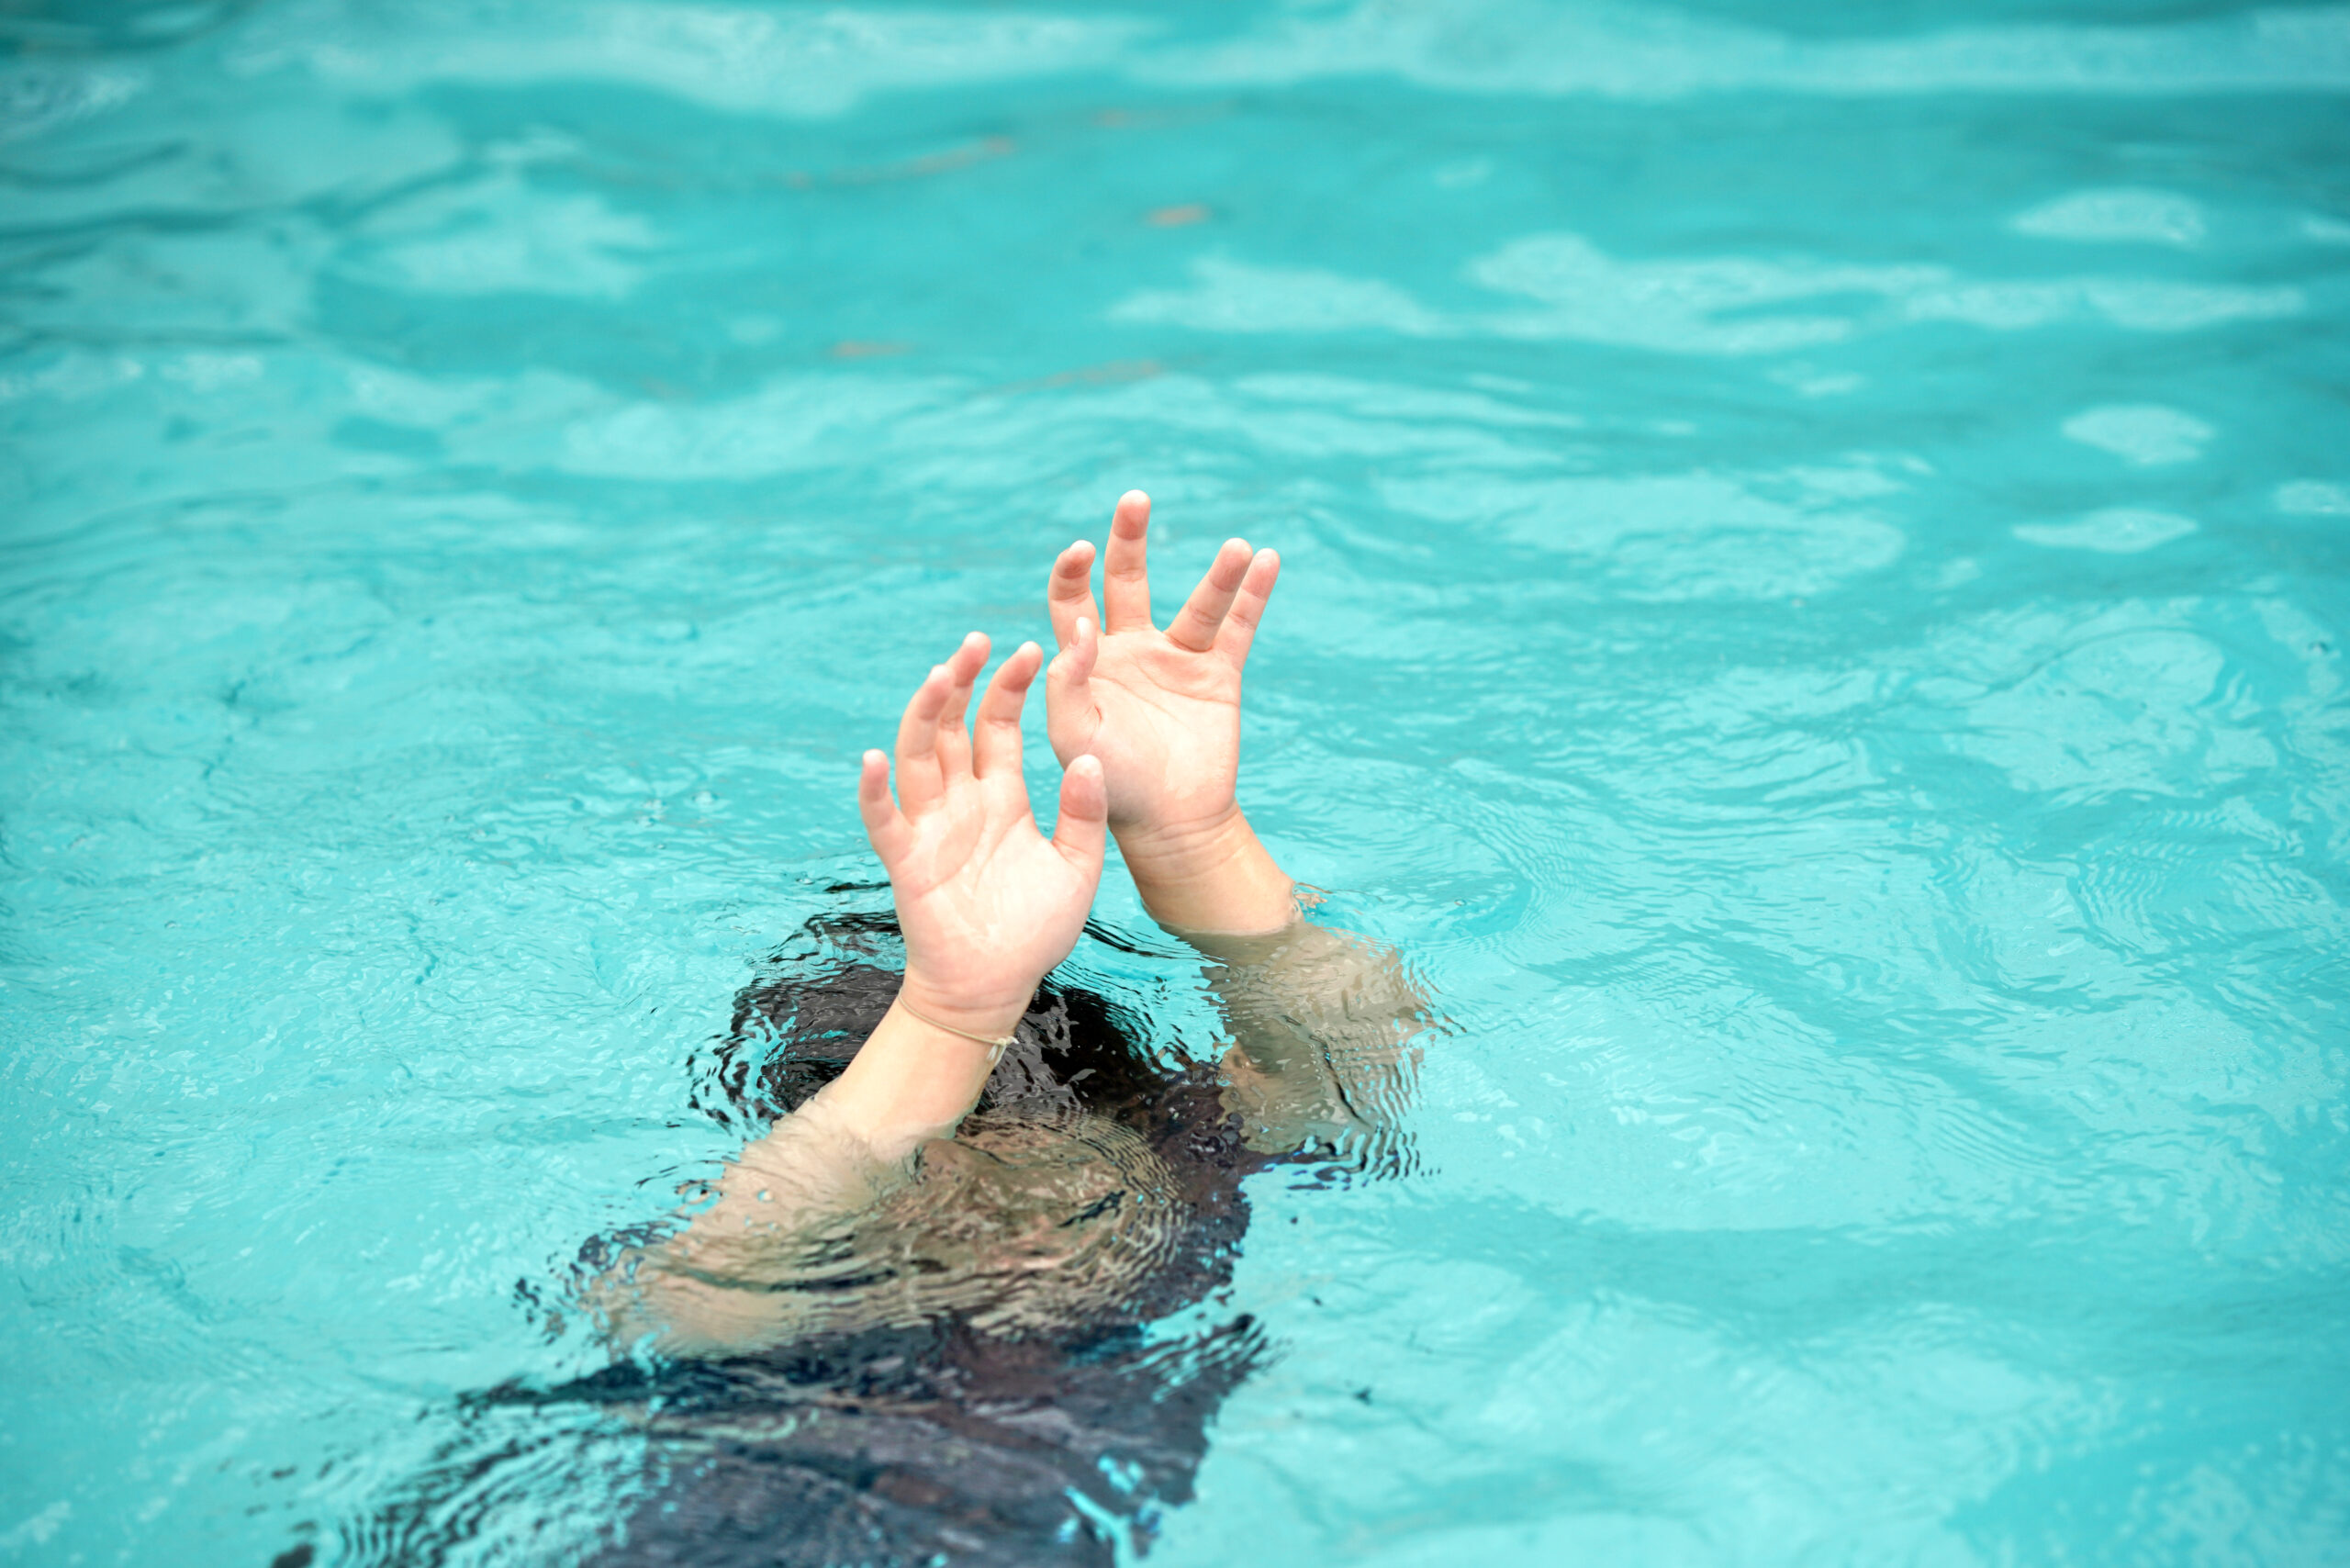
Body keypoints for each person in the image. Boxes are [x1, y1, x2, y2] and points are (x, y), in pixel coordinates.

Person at [376, 495, 1429, 1568]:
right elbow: (669, 1311)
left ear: (1130, 1130)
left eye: (1029, 1189)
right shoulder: (808, 1294)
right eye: (913, 1194)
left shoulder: (1186, 1159)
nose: (989, 1243)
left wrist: (1195, 841)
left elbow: (1354, 1060)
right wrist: (947, 1017)